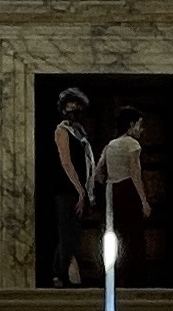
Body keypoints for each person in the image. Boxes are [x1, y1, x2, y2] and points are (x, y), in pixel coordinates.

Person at [42, 87, 99, 287]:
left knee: (72, 233)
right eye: (68, 104)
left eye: (75, 104)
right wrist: (79, 190)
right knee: (67, 233)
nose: (72, 107)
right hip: (66, 188)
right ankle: (63, 275)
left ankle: (63, 274)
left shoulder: (80, 132)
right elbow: (66, 161)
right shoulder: (62, 130)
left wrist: (86, 188)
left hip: (78, 188)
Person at [100, 106, 151, 252]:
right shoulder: (132, 144)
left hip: (112, 191)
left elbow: (98, 171)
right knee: (133, 236)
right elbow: (135, 172)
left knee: (117, 233)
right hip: (128, 191)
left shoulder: (110, 145)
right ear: (131, 124)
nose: (141, 129)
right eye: (139, 125)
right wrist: (143, 200)